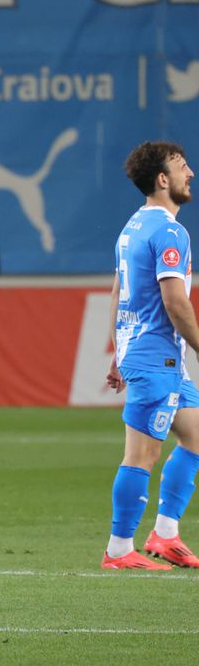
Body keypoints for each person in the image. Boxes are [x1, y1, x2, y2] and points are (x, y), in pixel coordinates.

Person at [102, 141, 199, 570]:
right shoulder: (170, 231)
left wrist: (115, 350)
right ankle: (119, 550)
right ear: (163, 180)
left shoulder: (132, 226)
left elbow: (118, 290)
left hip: (157, 357)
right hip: (156, 357)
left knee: (196, 436)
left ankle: (165, 534)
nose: (190, 174)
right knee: (141, 455)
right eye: (182, 167)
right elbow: (176, 304)